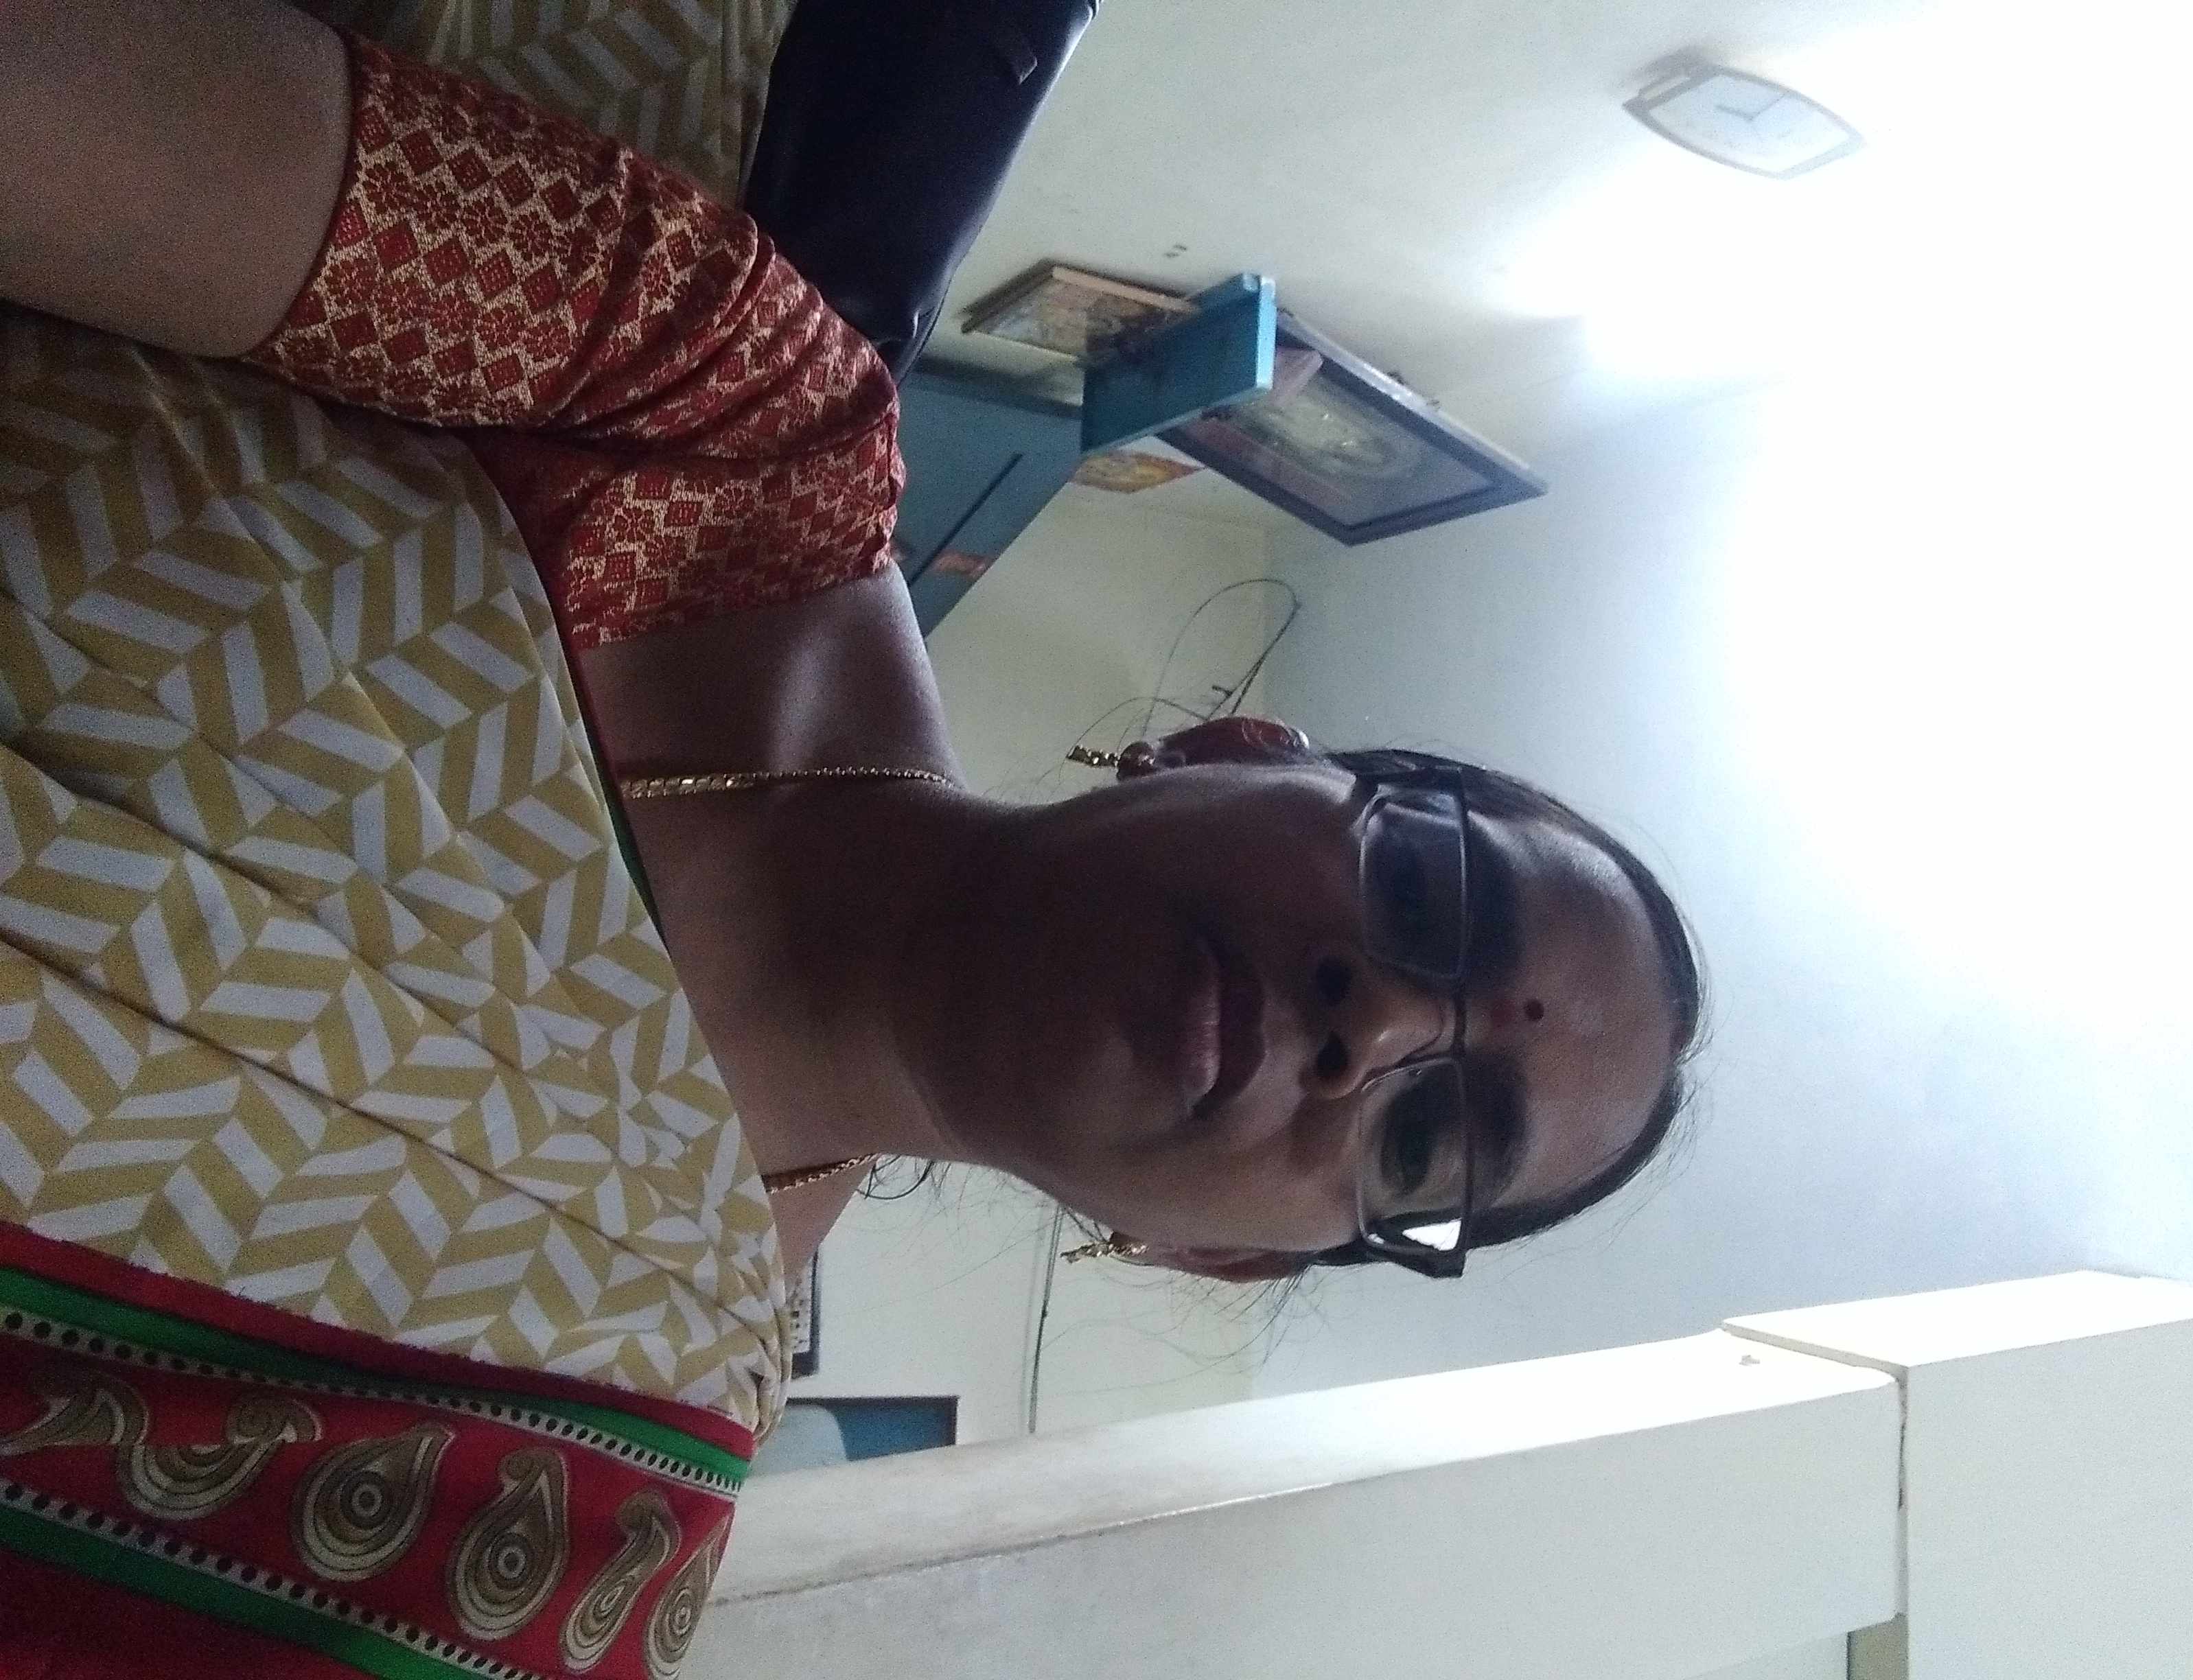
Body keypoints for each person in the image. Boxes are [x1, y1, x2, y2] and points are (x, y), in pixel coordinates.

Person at [0, 4, 1702, 1677]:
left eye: (1432, 1139)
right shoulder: (743, 437)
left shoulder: (563, 1508)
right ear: (1237, 748)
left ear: (1221, 1250)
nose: (1379, 1025)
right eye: (1428, 888)